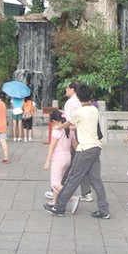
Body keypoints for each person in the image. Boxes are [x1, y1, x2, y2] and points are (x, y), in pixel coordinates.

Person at [44, 84, 109, 219]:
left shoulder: (79, 112)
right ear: (90, 96)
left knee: (72, 178)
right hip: (96, 148)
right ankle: (104, 210)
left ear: (78, 96)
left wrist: (58, 127)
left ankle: (59, 207)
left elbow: (68, 124)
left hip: (84, 149)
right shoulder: (94, 110)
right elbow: (78, 125)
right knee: (96, 180)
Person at [62, 80, 93, 203]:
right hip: (86, 136)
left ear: (72, 90)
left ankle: (60, 189)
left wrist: (69, 138)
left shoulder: (70, 103)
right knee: (78, 163)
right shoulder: (84, 103)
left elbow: (70, 122)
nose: (65, 90)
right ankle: (86, 192)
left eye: (67, 88)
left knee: (75, 164)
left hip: (75, 136)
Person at [43, 110, 75, 209]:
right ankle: (54, 202)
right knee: (59, 181)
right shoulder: (70, 129)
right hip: (67, 158)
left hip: (58, 158)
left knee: (55, 183)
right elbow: (74, 145)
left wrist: (47, 161)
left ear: (54, 121)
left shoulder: (57, 130)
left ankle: (72, 198)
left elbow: (52, 146)